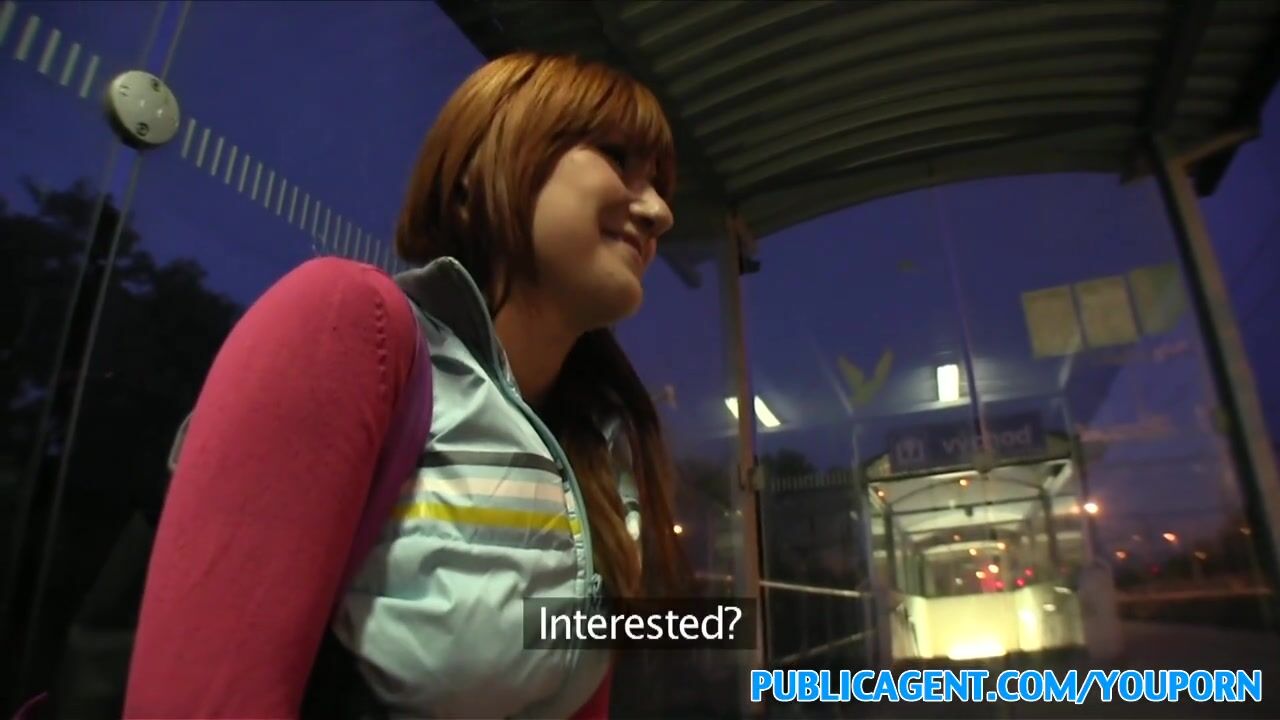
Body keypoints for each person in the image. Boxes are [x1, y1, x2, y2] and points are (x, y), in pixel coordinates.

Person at [124, 52, 689, 719]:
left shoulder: (596, 450)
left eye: (661, 185)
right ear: (482, 165)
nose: (658, 212)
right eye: (618, 158)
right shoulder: (344, 324)